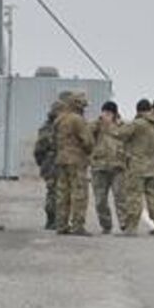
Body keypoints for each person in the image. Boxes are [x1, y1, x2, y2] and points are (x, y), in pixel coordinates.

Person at [118, 99, 154, 236]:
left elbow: (120, 134)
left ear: (138, 110)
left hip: (137, 166)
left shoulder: (138, 124)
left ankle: (132, 227)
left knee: (134, 196)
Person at [54, 92, 95, 236]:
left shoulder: (60, 119)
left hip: (61, 159)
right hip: (76, 160)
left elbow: (53, 139)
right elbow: (88, 141)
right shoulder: (77, 120)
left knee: (62, 194)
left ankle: (61, 224)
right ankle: (78, 225)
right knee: (79, 193)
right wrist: (88, 151)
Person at [90, 101, 127, 234]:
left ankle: (124, 223)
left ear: (115, 114)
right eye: (104, 112)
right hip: (99, 167)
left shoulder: (123, 126)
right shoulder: (97, 125)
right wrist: (99, 122)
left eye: (109, 113)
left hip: (118, 167)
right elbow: (87, 132)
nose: (106, 115)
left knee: (120, 197)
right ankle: (106, 225)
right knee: (100, 200)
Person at [33, 101, 64, 230]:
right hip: (52, 163)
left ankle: (55, 219)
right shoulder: (49, 128)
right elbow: (40, 148)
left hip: (52, 162)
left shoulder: (49, 127)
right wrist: (43, 162)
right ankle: (52, 219)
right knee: (54, 192)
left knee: (55, 191)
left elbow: (38, 150)